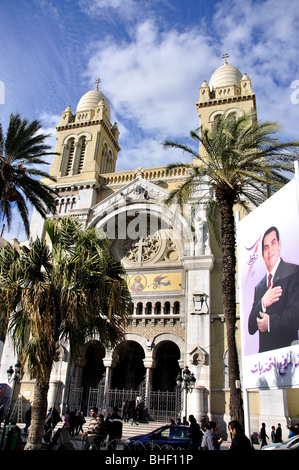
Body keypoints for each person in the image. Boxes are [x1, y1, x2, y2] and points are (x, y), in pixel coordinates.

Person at [248, 226, 299, 353]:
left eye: (273, 243)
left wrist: (270, 322)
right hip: (265, 362)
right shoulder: (259, 287)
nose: (270, 250)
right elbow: (250, 326)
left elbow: (296, 315)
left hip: (288, 356)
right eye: (266, 247)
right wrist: (262, 303)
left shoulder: (293, 272)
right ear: (262, 255)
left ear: (279, 244)